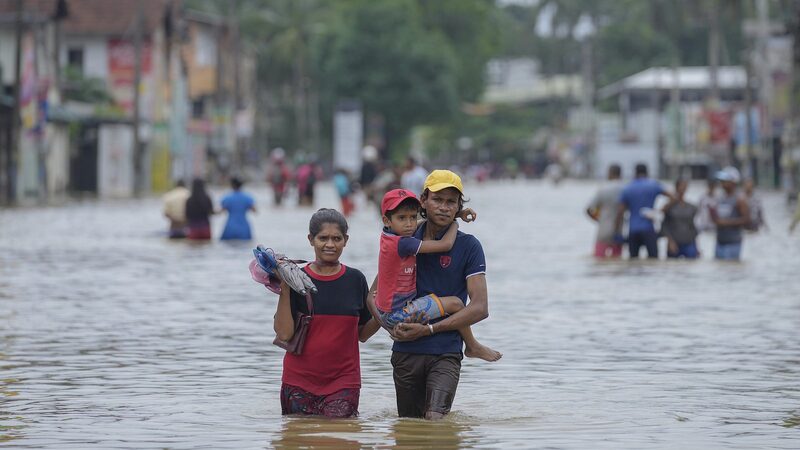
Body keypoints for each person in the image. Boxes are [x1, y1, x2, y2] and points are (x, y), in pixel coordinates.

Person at [372, 169, 497, 420]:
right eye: (437, 200)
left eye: (451, 202)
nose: (444, 207)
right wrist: (389, 327)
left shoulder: (469, 246)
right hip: (406, 350)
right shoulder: (405, 238)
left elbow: (480, 308)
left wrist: (429, 330)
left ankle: (471, 347)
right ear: (424, 201)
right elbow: (373, 293)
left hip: (445, 351)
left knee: (435, 421)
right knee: (408, 427)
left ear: (458, 206)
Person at [273, 208, 380, 417]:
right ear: (311, 239)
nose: (330, 244)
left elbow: (363, 334)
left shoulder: (355, 279)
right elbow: (284, 334)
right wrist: (285, 287)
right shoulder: (296, 280)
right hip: (298, 382)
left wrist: (384, 312)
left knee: (341, 439)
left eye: (336, 238)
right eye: (323, 238)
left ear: (346, 240)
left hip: (343, 382)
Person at [373, 188, 501, 363]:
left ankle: (472, 346)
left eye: (412, 217)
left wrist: (456, 213)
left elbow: (410, 221)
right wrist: (455, 222)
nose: (410, 223)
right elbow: (446, 244)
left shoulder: (389, 235)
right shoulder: (405, 243)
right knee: (456, 303)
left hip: (387, 313)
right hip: (397, 316)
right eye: (403, 218)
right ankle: (472, 345)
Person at [615, 163, 672, 259]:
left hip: (633, 230)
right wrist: (659, 211)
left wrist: (616, 232)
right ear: (647, 172)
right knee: (653, 261)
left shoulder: (627, 188)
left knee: (633, 262)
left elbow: (620, 212)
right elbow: (673, 197)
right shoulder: (654, 185)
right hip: (649, 229)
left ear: (635, 173)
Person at [709, 166, 750, 260]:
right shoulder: (719, 198)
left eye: (725, 180)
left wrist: (726, 223)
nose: (722, 183)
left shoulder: (740, 199)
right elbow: (716, 218)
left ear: (733, 182)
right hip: (719, 242)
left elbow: (746, 220)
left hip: (733, 244)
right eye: (721, 180)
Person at [586, 164, 624, 258]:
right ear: (620, 174)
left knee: (599, 259)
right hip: (619, 230)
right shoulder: (625, 189)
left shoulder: (603, 190)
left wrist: (598, 219)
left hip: (603, 230)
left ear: (609, 174)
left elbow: (589, 209)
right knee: (617, 260)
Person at [660, 178, 699, 259]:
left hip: (689, 242)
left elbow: (692, 227)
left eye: (685, 186)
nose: (683, 188)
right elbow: (664, 225)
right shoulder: (669, 207)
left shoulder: (691, 207)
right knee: (672, 267)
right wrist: (670, 241)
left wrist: (697, 246)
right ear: (676, 187)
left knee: (691, 267)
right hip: (674, 243)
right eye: (681, 186)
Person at [220, 176, 256, 241]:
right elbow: (254, 210)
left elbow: (221, 211)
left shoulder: (227, 198)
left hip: (230, 227)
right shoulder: (247, 197)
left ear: (232, 185)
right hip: (244, 227)